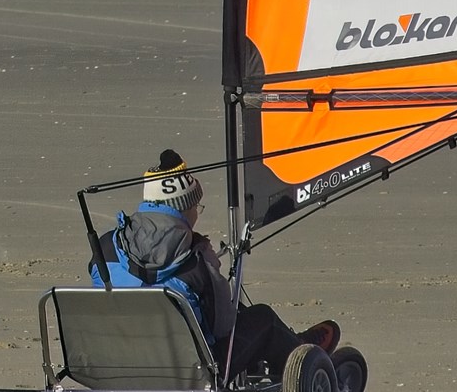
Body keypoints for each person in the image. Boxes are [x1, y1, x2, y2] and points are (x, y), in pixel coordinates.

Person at [96, 149, 339, 379]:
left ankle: (290, 347)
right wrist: (213, 270)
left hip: (123, 363)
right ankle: (300, 357)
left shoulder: (106, 247)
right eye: (196, 207)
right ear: (184, 208)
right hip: (192, 370)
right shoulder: (197, 257)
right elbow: (224, 326)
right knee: (262, 318)